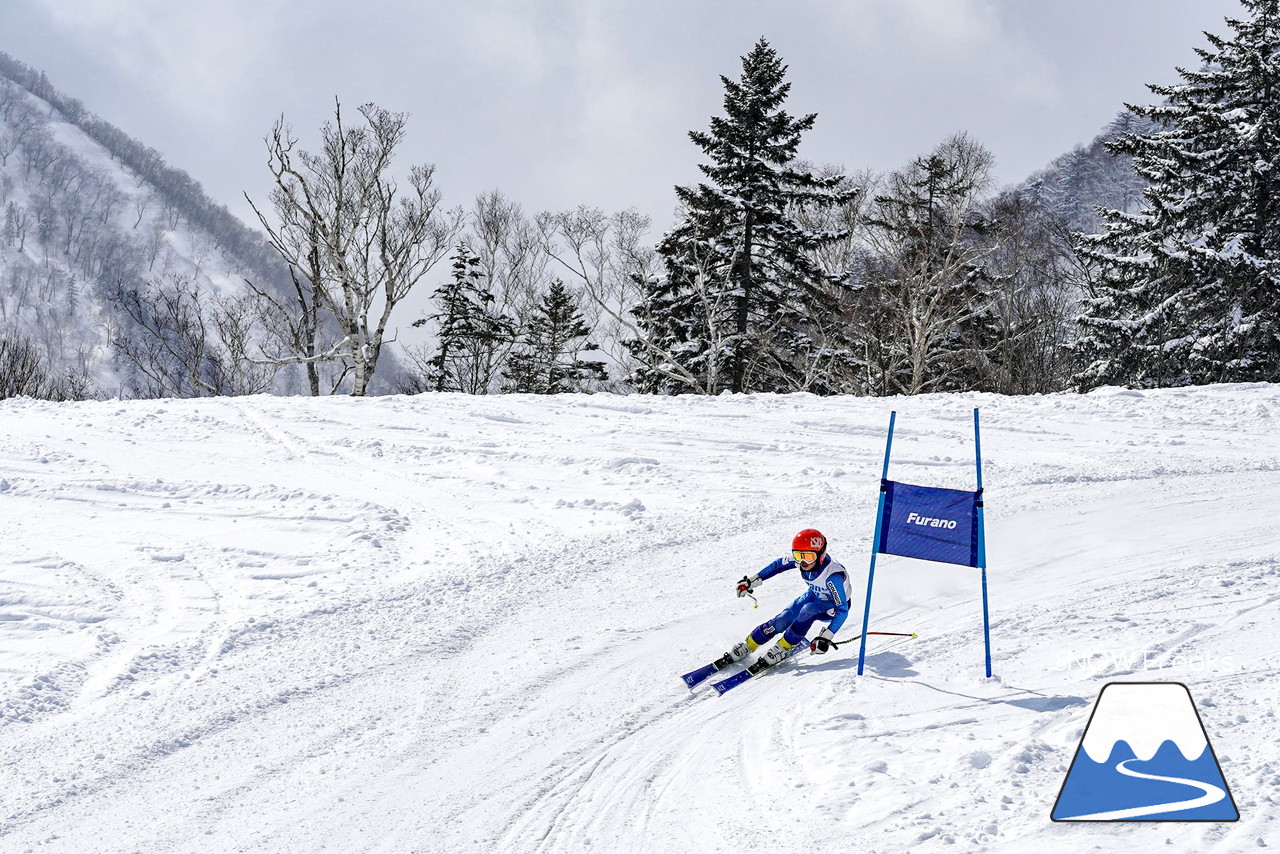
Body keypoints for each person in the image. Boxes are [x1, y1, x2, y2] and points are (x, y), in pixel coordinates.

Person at [720, 528, 853, 674]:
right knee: (783, 618)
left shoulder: (832, 577)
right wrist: (752, 581)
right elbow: (778, 565)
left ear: (820, 555)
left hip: (832, 607)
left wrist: (826, 637)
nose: (802, 562)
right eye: (798, 555)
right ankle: (749, 644)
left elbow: (843, 610)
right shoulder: (802, 561)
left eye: (808, 557)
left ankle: (784, 647)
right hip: (814, 594)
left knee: (807, 610)